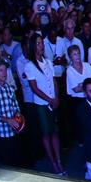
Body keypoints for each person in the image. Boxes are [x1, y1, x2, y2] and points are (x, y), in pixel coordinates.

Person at [22, 34, 63, 174]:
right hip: (42, 104)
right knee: (46, 134)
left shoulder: (48, 62)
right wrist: (49, 99)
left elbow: (54, 81)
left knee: (55, 132)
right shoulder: (29, 66)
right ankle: (53, 163)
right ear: (34, 46)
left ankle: (59, 160)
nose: (41, 46)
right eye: (38, 44)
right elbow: (34, 88)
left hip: (53, 101)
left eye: (42, 43)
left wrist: (56, 97)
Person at [0, 59, 24, 167]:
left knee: (16, 161)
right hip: (1, 133)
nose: (4, 73)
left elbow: (16, 106)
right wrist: (7, 120)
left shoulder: (9, 88)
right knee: (6, 164)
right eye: (1, 70)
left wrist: (17, 116)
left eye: (5, 70)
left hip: (13, 131)